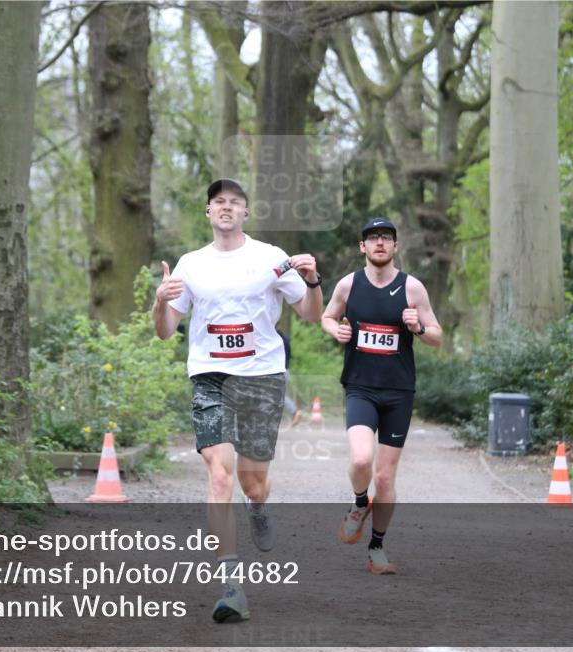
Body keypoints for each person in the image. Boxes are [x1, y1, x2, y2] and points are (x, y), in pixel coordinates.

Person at [153, 178, 323, 621]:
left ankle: (260, 506)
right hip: (210, 376)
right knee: (219, 475)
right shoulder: (190, 265)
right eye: (218, 203)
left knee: (252, 482)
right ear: (208, 212)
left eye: (235, 203)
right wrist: (159, 301)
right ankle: (231, 588)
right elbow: (167, 329)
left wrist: (313, 280)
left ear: (246, 213)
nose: (226, 208)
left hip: (262, 377)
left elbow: (309, 313)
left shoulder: (271, 259)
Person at [320, 217, 442, 574]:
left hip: (399, 391)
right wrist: (336, 331)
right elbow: (328, 316)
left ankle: (376, 548)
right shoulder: (348, 285)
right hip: (360, 386)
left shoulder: (412, 288)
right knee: (361, 461)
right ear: (362, 247)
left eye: (386, 238)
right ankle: (360, 502)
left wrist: (418, 327)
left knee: (386, 477)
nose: (379, 244)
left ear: (395, 246)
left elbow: (437, 334)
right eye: (372, 238)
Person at [277, 329, 304, 427]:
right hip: (285, 370)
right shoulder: (285, 337)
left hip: (278, 371)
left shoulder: (274, 336)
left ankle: (295, 411)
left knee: (278, 396)